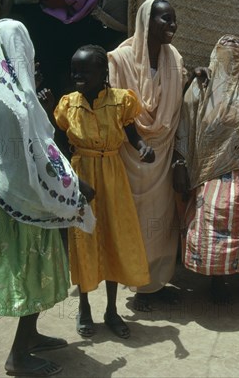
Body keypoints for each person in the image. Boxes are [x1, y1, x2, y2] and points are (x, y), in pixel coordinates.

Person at [0, 19, 96, 376]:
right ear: (18, 50)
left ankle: (31, 335)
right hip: (23, 196)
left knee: (39, 266)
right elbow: (37, 153)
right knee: (31, 272)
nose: (33, 58)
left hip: (13, 190)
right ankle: (18, 355)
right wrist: (75, 185)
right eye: (27, 50)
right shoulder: (16, 100)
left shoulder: (1, 88)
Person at [54, 45, 153, 339]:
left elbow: (134, 136)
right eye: (74, 70)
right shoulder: (67, 105)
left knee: (113, 238)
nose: (77, 75)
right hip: (81, 176)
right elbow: (57, 146)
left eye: (85, 71)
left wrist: (144, 148)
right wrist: (70, 180)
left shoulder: (121, 102)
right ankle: (84, 307)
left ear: (103, 73)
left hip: (112, 175)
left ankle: (112, 310)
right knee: (83, 239)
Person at [174, 35, 239, 304]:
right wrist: (181, 163)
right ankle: (217, 281)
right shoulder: (202, 85)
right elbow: (185, 122)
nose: (230, 60)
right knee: (211, 219)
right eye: (224, 53)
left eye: (236, 54)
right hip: (210, 169)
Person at [107, 0, 186, 311]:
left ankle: (155, 285)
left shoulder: (174, 58)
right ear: (146, 22)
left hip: (162, 156)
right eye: (165, 19)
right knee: (137, 223)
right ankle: (139, 284)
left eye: (173, 19)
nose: (172, 26)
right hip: (132, 154)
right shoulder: (120, 59)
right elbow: (116, 109)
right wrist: (137, 142)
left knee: (161, 222)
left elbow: (176, 99)